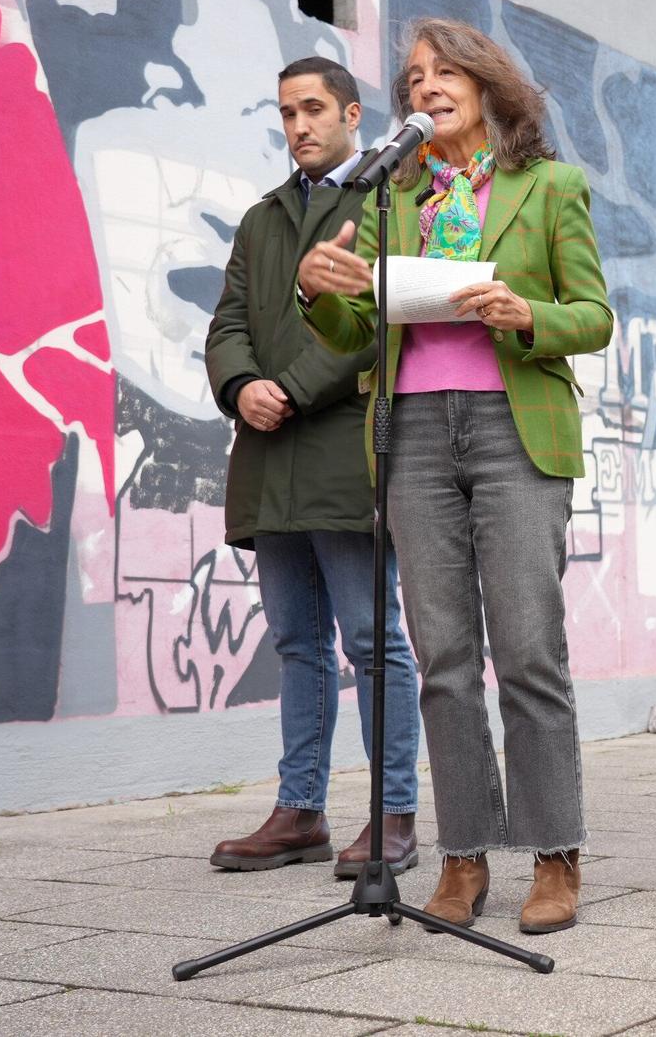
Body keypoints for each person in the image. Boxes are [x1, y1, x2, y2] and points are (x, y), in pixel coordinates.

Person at [297, 18, 612, 936]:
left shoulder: (549, 187)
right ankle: (463, 855)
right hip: (414, 433)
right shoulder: (395, 199)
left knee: (526, 651)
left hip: (516, 430)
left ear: (485, 84)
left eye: (442, 72)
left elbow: (591, 314)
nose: (423, 87)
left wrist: (526, 312)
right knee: (441, 659)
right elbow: (360, 335)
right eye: (411, 78)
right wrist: (322, 292)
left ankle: (556, 853)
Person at [204, 56, 424, 877]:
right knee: (297, 641)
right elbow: (228, 319)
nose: (299, 125)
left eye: (313, 109)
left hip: (343, 454)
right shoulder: (262, 219)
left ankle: (392, 814)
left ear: (352, 114)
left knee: (373, 640)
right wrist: (241, 385)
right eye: (287, 112)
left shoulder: (385, 203)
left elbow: (378, 326)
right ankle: (300, 809)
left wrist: (288, 386)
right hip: (268, 458)